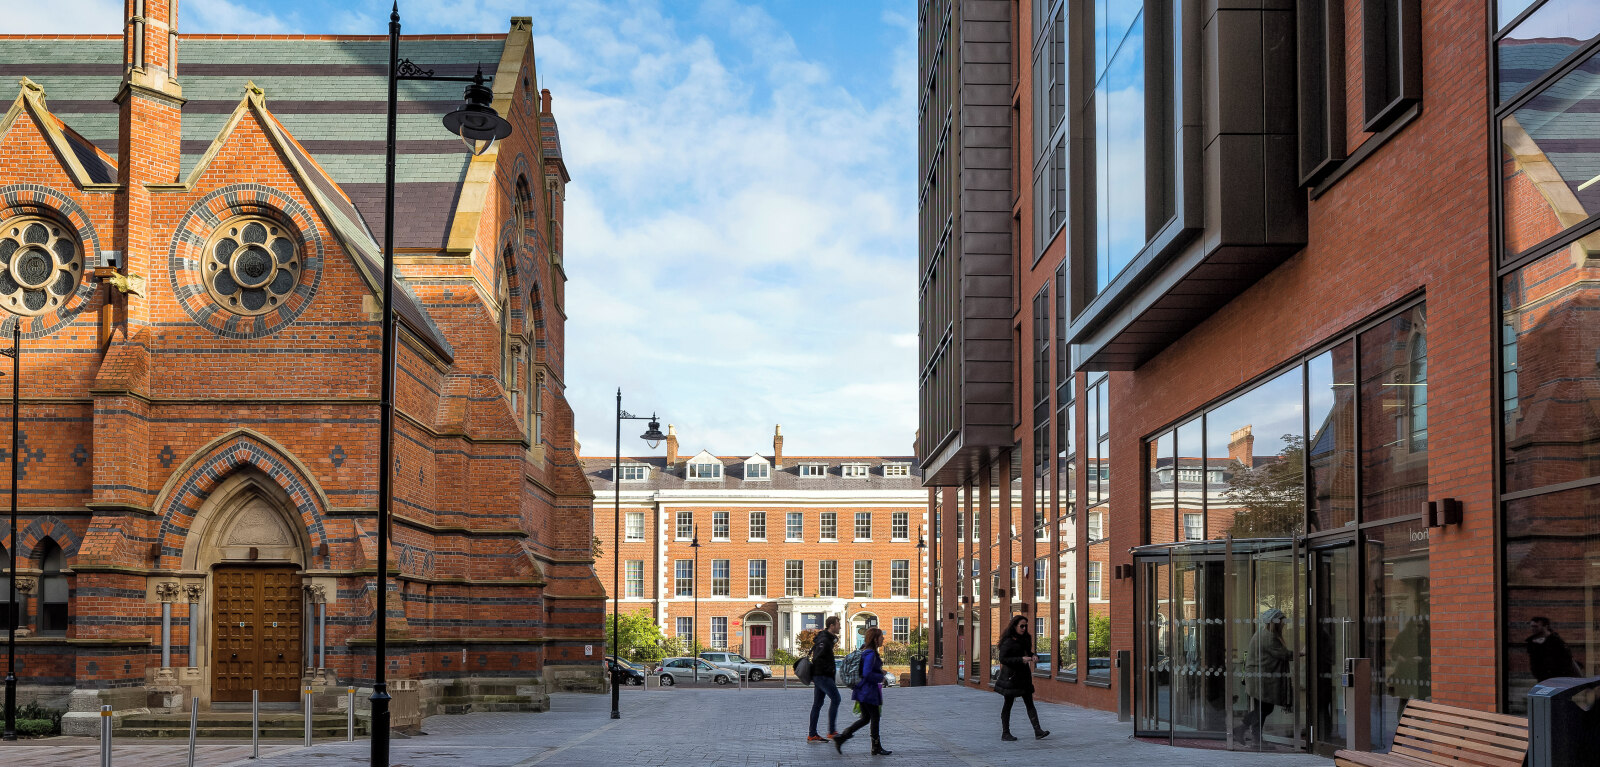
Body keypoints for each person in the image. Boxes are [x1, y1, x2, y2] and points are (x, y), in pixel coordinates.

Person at [1234, 608, 1292, 746]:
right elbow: (1283, 654)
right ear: (1274, 622)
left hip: (1260, 678)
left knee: (1263, 709)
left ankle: (1253, 736)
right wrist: (1301, 653)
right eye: (1281, 621)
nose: (1283, 624)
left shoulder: (1263, 634)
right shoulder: (1269, 637)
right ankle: (1246, 732)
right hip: (1261, 679)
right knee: (1264, 709)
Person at [834, 627, 891, 756]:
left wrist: (879, 671)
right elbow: (866, 673)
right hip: (868, 692)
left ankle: (842, 737)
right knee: (874, 718)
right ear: (875, 639)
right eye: (881, 636)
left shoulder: (866, 651)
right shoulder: (870, 653)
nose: (883, 638)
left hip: (862, 690)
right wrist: (880, 677)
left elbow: (867, 669)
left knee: (866, 718)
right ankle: (876, 747)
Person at [994, 614, 1050, 741]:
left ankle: (1038, 730)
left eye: (1026, 626)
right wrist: (1020, 660)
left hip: (1024, 677)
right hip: (1011, 677)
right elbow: (1003, 659)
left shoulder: (1026, 638)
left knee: (1029, 703)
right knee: (1008, 704)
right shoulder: (1008, 641)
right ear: (1014, 626)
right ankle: (1005, 733)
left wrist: (1033, 656)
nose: (1024, 628)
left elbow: (1027, 652)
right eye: (1022, 626)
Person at [807, 616, 842, 743]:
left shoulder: (826, 639)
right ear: (831, 626)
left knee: (817, 704)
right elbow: (817, 658)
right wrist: (828, 669)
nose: (840, 627)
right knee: (836, 698)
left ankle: (812, 734)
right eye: (838, 624)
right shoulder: (824, 640)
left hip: (820, 675)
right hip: (823, 676)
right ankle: (832, 731)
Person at [1527, 616, 1582, 682]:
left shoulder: (1556, 641)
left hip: (1559, 678)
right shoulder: (1531, 642)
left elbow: (1568, 659)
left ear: (1545, 626)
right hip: (1543, 679)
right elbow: (1534, 662)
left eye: (1536, 626)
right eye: (1532, 626)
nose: (1533, 629)